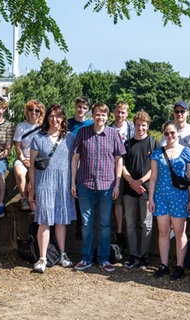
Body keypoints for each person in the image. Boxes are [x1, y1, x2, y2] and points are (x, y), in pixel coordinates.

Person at [71, 103, 126, 273]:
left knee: (104, 224)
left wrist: (117, 184)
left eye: (103, 115)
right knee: (86, 223)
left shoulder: (113, 134)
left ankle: (103, 259)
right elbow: (75, 158)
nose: (100, 118)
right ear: (92, 115)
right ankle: (86, 258)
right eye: (97, 114)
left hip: (107, 185)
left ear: (107, 117)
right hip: (84, 183)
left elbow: (119, 160)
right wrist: (72, 182)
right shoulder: (83, 133)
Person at [28, 105, 77, 273]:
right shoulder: (38, 138)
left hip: (63, 184)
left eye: (58, 116)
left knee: (61, 220)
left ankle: (63, 254)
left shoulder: (70, 138)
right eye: (51, 116)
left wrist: (72, 183)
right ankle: (42, 258)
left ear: (63, 119)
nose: (54, 119)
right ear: (47, 117)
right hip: (44, 184)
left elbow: (73, 163)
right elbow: (32, 167)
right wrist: (32, 188)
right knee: (44, 221)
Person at [149, 121, 190, 280]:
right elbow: (153, 178)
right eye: (167, 133)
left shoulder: (186, 152)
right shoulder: (157, 153)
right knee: (163, 232)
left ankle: (180, 266)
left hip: (180, 197)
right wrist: (151, 199)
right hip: (161, 196)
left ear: (178, 134)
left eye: (172, 133)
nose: (170, 136)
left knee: (180, 232)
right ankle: (163, 264)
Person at [121, 111, 159, 269]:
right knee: (130, 223)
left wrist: (141, 181)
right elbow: (121, 166)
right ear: (134, 125)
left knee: (146, 224)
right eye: (137, 125)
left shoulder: (153, 143)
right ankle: (133, 254)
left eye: (143, 125)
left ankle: (144, 255)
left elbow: (154, 167)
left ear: (148, 126)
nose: (140, 128)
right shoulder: (127, 143)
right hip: (129, 190)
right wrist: (132, 182)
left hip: (146, 189)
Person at [109, 101, 135, 251]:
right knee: (118, 202)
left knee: (129, 201)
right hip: (114, 168)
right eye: (118, 112)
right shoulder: (109, 128)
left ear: (127, 113)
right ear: (114, 112)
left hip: (130, 167)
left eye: (123, 112)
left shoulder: (132, 127)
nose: (120, 115)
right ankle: (119, 232)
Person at [67, 96, 93, 240]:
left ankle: (80, 226)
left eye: (84, 107)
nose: (81, 109)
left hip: (84, 164)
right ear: (75, 106)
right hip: (68, 161)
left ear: (87, 109)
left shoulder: (90, 124)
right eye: (79, 106)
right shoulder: (68, 123)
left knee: (81, 195)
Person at [13, 100, 45, 211]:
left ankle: (34, 201)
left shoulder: (44, 127)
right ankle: (24, 198)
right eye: (31, 109)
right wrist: (23, 159)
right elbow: (17, 147)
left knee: (34, 178)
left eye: (37, 110)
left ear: (41, 113)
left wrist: (33, 161)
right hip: (23, 157)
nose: (34, 112)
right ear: (27, 111)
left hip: (38, 159)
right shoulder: (21, 126)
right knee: (20, 173)